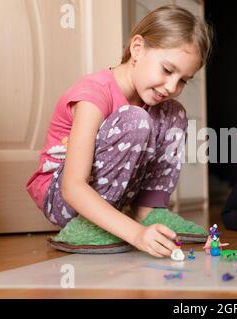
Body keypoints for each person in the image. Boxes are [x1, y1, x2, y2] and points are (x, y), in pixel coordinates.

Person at [25, 5, 213, 258]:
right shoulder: (93, 94)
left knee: (174, 112)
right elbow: (72, 186)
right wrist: (135, 234)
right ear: (137, 49)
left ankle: (148, 210)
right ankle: (89, 224)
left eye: (183, 80)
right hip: (64, 199)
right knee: (134, 119)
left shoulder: (157, 102)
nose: (171, 86)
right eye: (167, 70)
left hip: (117, 197)